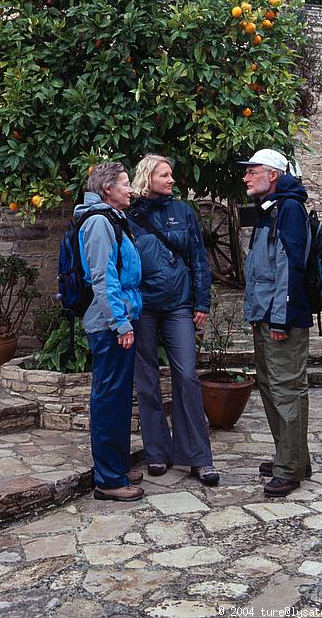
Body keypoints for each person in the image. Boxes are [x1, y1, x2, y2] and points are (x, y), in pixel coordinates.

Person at [127, 154, 219, 486]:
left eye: (171, 175)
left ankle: (199, 457)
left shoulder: (183, 212)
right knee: (147, 381)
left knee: (187, 376)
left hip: (179, 306)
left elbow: (198, 258)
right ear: (147, 177)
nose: (171, 180)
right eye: (164, 175)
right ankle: (157, 453)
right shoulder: (130, 215)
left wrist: (202, 302)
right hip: (144, 309)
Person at [239, 148, 313, 498]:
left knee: (287, 390)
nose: (246, 177)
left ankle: (290, 468)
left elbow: (289, 268)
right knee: (272, 388)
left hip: (280, 318)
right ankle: (292, 457)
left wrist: (281, 318)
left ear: (273, 175)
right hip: (265, 315)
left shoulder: (290, 210)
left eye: (252, 171)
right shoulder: (272, 209)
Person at [74, 162, 144, 502]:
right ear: (107, 189)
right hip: (108, 326)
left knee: (117, 400)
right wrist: (121, 323)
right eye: (125, 184)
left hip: (116, 322)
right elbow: (103, 279)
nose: (130, 189)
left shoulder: (112, 220)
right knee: (108, 401)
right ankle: (108, 479)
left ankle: (116, 467)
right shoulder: (100, 223)